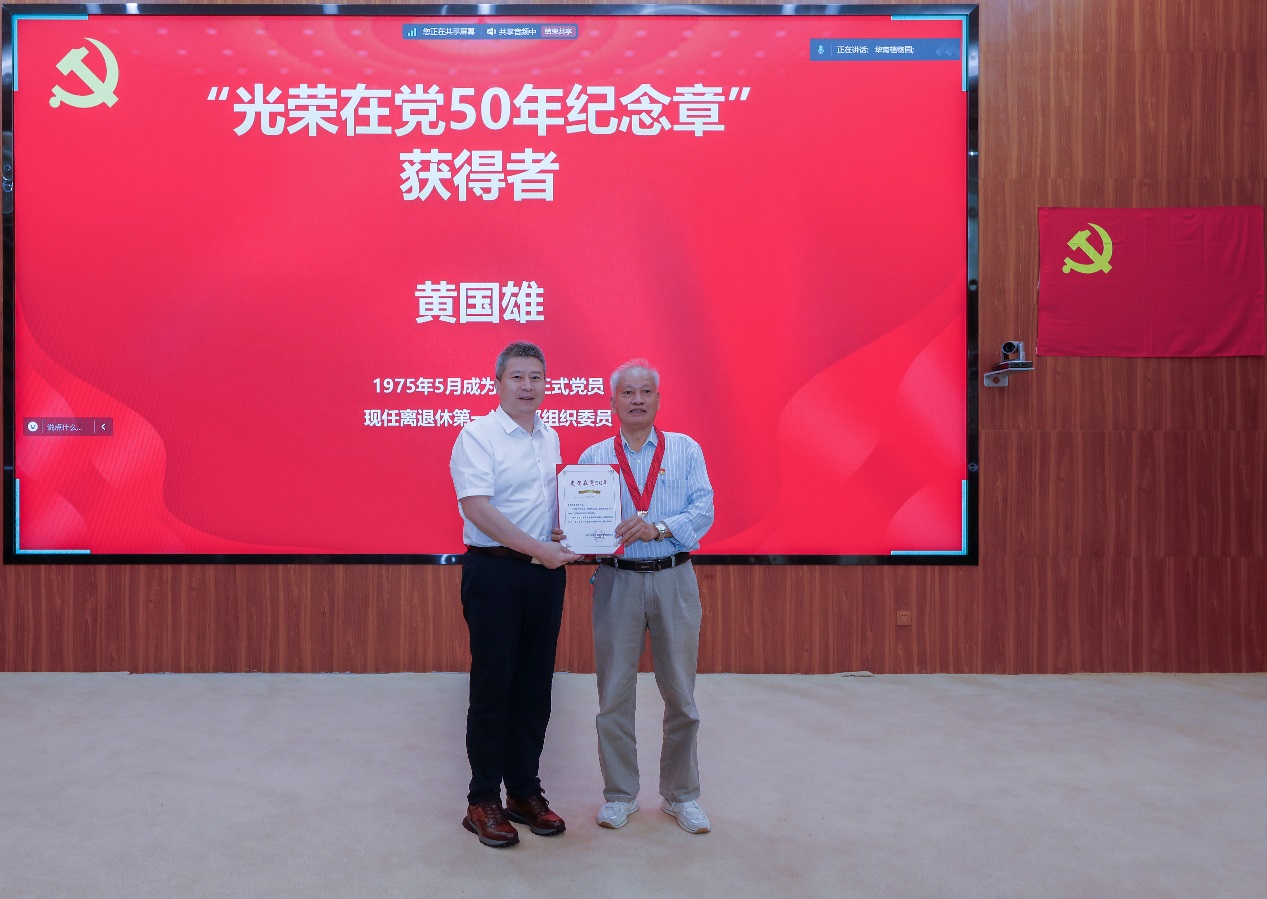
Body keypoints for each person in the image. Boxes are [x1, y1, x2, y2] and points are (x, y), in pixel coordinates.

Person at [449, 341, 580, 848]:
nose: (528, 386)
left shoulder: (550, 436)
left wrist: (561, 534)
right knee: (494, 688)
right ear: (498, 382)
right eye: (518, 377)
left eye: (536, 377)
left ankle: (524, 791)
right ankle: (482, 799)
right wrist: (538, 549)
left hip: (544, 575)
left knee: (535, 689)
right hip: (496, 574)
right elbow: (478, 509)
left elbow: (541, 506)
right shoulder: (477, 436)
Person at [577, 359, 715, 834]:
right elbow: (583, 522)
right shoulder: (594, 457)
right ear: (612, 402)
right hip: (616, 581)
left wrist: (658, 527)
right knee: (613, 694)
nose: (637, 400)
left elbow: (704, 509)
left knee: (681, 694)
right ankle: (620, 794)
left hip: (674, 578)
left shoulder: (686, 449)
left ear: (658, 399)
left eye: (646, 392)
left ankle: (681, 795)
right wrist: (572, 532)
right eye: (627, 393)